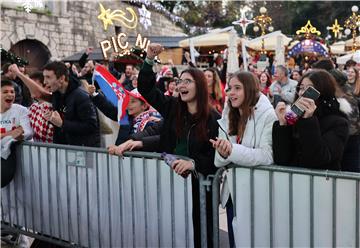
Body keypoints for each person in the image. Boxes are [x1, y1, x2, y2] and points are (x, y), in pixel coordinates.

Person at [137, 43, 220, 248]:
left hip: (199, 188)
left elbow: (216, 159)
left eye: (188, 81)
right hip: (170, 185)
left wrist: (194, 165)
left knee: (201, 232)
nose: (181, 85)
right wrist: (148, 59)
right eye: (180, 81)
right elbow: (146, 89)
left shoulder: (213, 120)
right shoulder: (173, 107)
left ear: (199, 86)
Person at [210, 71, 277, 248]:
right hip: (232, 193)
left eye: (237, 88)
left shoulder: (268, 115)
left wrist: (232, 151)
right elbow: (219, 161)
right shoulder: (228, 116)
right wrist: (224, 152)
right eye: (230, 88)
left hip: (257, 194)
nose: (231, 92)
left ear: (250, 89)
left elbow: (267, 155)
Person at [272, 70, 350, 170]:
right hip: (292, 182)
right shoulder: (293, 117)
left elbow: (319, 159)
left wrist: (308, 121)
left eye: (309, 89)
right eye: (301, 88)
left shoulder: (339, 123)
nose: (302, 93)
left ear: (323, 92)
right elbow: (281, 159)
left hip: (321, 183)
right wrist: (283, 125)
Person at [9, 62, 100, 147]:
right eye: (44, 77)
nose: (45, 82)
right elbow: (38, 93)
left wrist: (62, 123)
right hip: (65, 150)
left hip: (83, 151)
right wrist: (19, 74)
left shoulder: (81, 96)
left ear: (61, 79)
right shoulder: (58, 94)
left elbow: (91, 126)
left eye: (48, 77)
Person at [1, 80, 33, 187]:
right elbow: (16, 132)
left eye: (12, 92)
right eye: (5, 92)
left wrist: (21, 135)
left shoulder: (21, 110)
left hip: (19, 162)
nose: (10, 94)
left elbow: (28, 132)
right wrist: (10, 133)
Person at [28, 71, 54, 143]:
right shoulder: (32, 107)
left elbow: (43, 134)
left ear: (47, 86)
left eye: (34, 85)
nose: (31, 88)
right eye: (29, 85)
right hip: (37, 150)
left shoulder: (53, 105)